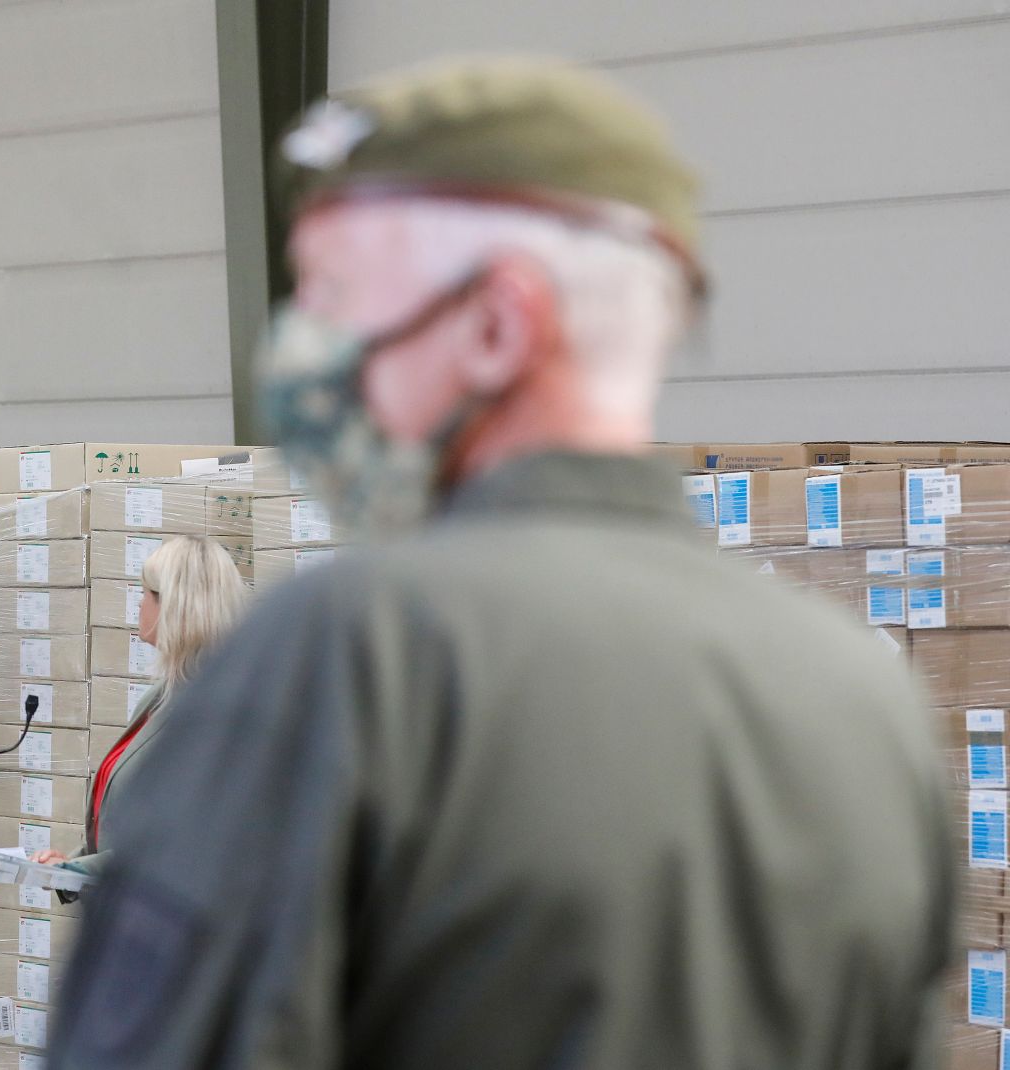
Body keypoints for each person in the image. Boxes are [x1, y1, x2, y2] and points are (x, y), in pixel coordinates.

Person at [48, 57, 952, 1069]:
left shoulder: (343, 660)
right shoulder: (859, 701)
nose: (304, 354)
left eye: (337, 298)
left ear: (495, 323)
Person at [31, 534, 247, 886]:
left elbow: (184, 843)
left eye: (146, 593)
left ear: (176, 607)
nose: (140, 603)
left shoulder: (213, 710)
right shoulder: (165, 695)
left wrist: (81, 871)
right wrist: (72, 863)